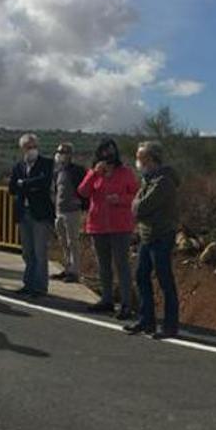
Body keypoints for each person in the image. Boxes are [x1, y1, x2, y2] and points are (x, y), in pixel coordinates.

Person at [77, 138, 138, 319]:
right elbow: (82, 192)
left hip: (120, 226)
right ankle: (107, 299)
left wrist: (120, 200)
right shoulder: (95, 173)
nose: (107, 155)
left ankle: (126, 304)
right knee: (103, 266)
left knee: (122, 265)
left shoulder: (125, 172)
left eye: (110, 151)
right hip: (98, 226)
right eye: (104, 152)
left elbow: (135, 196)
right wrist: (94, 174)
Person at [126, 141, 181, 338]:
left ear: (150, 159)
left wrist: (137, 206)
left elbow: (140, 207)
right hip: (146, 235)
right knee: (141, 276)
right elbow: (136, 205)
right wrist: (137, 205)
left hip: (161, 235)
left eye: (140, 158)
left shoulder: (163, 182)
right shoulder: (148, 180)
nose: (138, 162)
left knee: (165, 280)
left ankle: (170, 325)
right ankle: (146, 320)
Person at [9, 133, 55, 297]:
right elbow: (12, 188)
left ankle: (40, 287)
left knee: (40, 252)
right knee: (27, 252)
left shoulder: (47, 164)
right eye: (28, 147)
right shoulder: (18, 166)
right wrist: (29, 185)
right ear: (22, 148)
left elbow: (44, 183)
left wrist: (24, 184)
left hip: (40, 214)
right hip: (24, 213)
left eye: (34, 146)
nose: (32, 150)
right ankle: (28, 284)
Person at [51, 142, 87, 283]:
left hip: (72, 211)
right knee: (63, 241)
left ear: (70, 154)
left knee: (73, 242)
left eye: (64, 152)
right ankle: (67, 268)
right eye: (59, 151)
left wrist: (82, 205)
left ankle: (75, 271)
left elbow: (85, 190)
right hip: (59, 211)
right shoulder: (58, 171)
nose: (61, 154)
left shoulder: (77, 171)